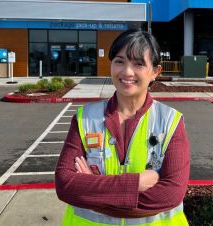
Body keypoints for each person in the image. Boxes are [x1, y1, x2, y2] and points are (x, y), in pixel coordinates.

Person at [55, 29, 190, 226]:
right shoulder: (84, 119)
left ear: (155, 72)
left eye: (138, 64)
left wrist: (91, 189)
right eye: (120, 61)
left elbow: (171, 194)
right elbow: (65, 185)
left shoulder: (170, 121)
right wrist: (137, 183)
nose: (127, 72)